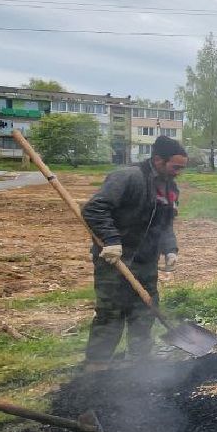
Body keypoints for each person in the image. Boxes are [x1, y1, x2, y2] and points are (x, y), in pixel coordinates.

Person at [81, 134, 187, 371]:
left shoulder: (170, 188)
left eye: (182, 168)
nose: (179, 172)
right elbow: (94, 209)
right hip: (115, 257)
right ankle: (97, 365)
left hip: (146, 260)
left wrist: (170, 249)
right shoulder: (128, 177)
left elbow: (165, 223)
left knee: (145, 309)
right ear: (159, 160)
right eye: (175, 166)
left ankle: (140, 361)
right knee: (111, 311)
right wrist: (111, 240)